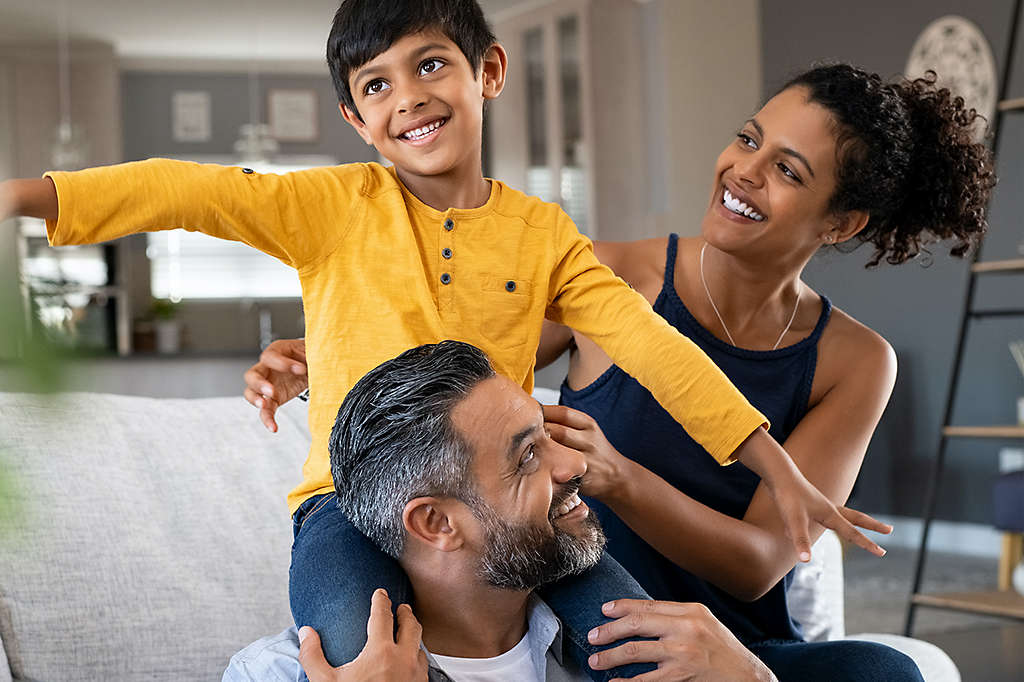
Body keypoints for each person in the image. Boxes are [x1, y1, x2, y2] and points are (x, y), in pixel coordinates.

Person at [0, 0, 889, 674]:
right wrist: (22, 198)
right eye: (376, 85)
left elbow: (656, 349)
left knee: (637, 646)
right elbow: (183, 190)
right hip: (345, 510)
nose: (409, 98)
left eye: (431, 65)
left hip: (512, 515)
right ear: (354, 119)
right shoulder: (330, 208)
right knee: (362, 655)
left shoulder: (545, 236)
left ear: (488, 71)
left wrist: (777, 468)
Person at [244, 63, 994, 679]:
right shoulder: (606, 275)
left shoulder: (854, 361)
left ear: (839, 224)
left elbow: (760, 564)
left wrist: (618, 477)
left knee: (891, 671)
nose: (743, 171)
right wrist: (312, 362)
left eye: (786, 170)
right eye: (747, 140)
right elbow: (453, 372)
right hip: (588, 628)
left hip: (732, 643)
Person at [225, 340, 778, 682]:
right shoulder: (274, 675)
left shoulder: (657, 660)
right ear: (437, 523)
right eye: (528, 455)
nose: (576, 466)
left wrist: (752, 680)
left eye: (549, 435)